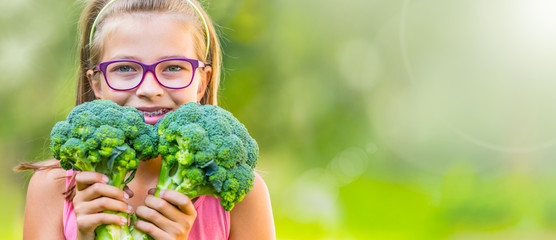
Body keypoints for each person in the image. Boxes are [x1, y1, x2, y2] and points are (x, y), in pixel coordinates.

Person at [17, 0, 275, 239]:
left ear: (201, 82)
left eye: (173, 67)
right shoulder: (53, 188)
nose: (150, 89)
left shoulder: (240, 195)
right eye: (125, 68)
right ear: (96, 83)